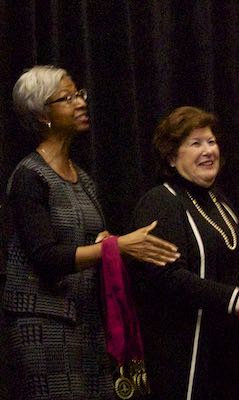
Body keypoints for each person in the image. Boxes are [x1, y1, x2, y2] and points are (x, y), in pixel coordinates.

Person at [2, 65, 180, 400]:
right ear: (43, 115)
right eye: (67, 98)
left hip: (87, 322)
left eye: (79, 94)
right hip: (45, 324)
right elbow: (47, 258)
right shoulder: (29, 177)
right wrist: (117, 247)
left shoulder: (82, 178)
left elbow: (89, 239)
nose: (81, 102)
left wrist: (105, 241)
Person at [128, 106, 239, 400]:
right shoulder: (160, 202)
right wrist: (237, 301)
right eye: (196, 143)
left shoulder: (220, 201)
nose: (208, 150)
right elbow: (166, 276)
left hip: (229, 353)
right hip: (184, 355)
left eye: (211, 141)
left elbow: (238, 267)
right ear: (171, 156)